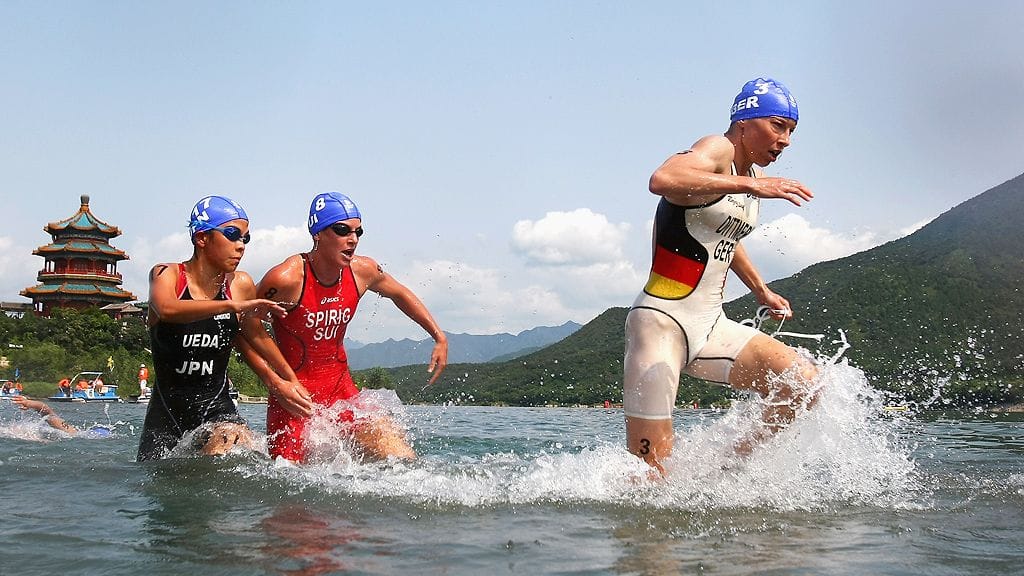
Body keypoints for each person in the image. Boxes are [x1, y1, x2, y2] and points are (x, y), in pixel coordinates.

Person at [624, 78, 819, 474]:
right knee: (651, 474)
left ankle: (721, 468)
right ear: (745, 122)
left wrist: (761, 290)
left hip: (711, 325)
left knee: (803, 384)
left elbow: (723, 236)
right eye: (778, 126)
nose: (785, 141)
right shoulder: (718, 149)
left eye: (791, 132)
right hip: (662, 322)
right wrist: (749, 184)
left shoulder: (748, 178)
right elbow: (662, 180)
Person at [242, 192, 448, 463]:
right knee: (289, 490)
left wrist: (438, 336)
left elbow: (399, 293)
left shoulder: (363, 271)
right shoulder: (286, 278)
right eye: (342, 230)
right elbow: (243, 328)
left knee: (403, 460)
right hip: (294, 401)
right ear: (318, 233)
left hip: (343, 395)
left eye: (357, 231)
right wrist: (275, 382)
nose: (353, 239)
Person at [138, 195, 288, 460]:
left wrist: (285, 379)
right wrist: (231, 307)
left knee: (231, 440)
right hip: (167, 415)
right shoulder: (167, 274)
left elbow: (254, 335)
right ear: (202, 238)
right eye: (232, 235)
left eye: (245, 238)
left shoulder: (240, 284)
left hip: (218, 408)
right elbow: (167, 309)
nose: (241, 246)